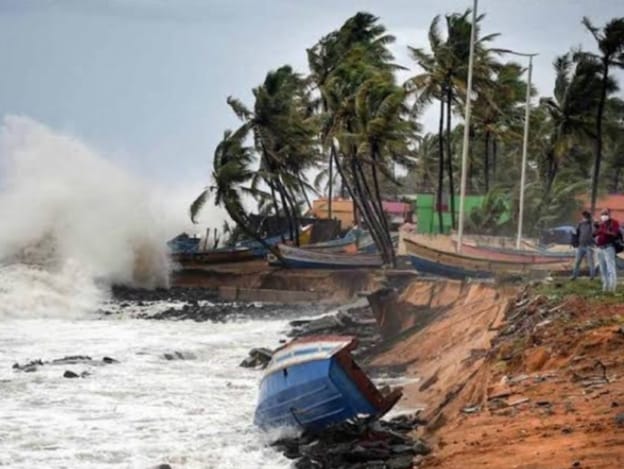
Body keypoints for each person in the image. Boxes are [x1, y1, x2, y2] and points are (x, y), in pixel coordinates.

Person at [593, 208, 619, 292]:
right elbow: (594, 234)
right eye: (602, 214)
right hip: (600, 248)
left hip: (609, 248)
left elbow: (614, 234)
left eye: (605, 214)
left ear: (609, 214)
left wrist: (603, 230)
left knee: (610, 268)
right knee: (602, 269)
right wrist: (596, 227)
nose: (603, 216)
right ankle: (605, 287)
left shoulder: (614, 223)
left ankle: (612, 288)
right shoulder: (601, 224)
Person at [571, 210, 595, 280]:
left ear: (588, 217)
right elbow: (576, 233)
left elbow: (594, 232)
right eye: (583, 217)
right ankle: (574, 276)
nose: (584, 218)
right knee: (577, 261)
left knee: (591, 262)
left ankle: (592, 276)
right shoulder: (580, 224)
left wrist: (592, 222)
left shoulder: (591, 224)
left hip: (589, 245)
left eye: (586, 217)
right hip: (581, 245)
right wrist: (575, 242)